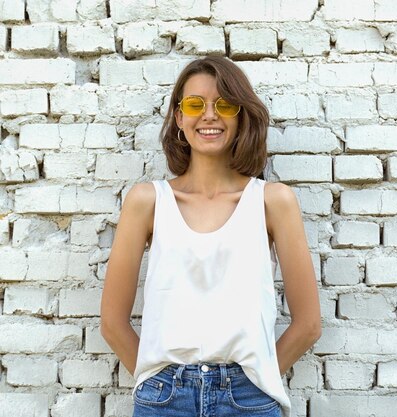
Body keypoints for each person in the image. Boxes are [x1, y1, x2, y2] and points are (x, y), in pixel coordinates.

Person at [100, 56, 321, 417]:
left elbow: (309, 324)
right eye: (194, 104)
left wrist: (257, 380)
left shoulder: (272, 201)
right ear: (178, 118)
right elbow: (112, 322)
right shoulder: (147, 201)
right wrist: (155, 380)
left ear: (240, 115)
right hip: (164, 400)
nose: (209, 115)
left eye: (224, 104)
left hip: (248, 399)